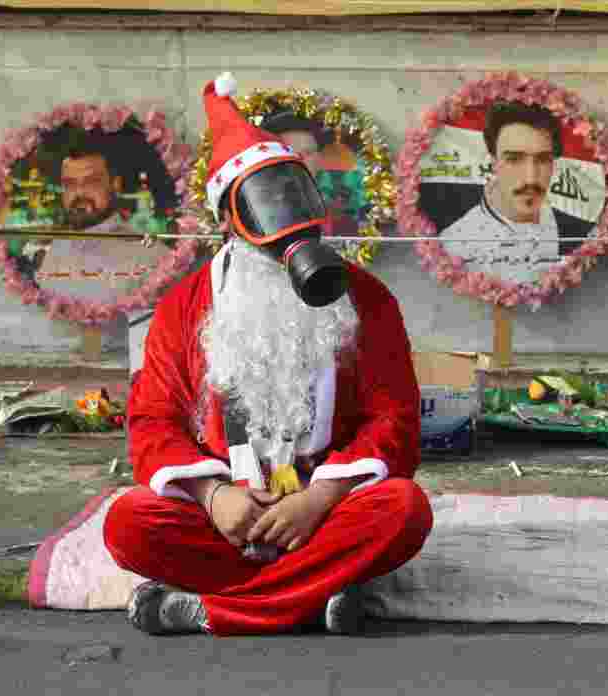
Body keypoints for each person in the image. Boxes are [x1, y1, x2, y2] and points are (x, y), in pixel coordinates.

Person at [103, 72, 433, 637]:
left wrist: (319, 500)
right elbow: (151, 421)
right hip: (228, 508)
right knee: (129, 523)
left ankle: (211, 610)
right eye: (263, 200)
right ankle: (314, 593)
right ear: (228, 217)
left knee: (403, 509)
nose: (282, 217)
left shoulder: (367, 298)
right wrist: (213, 497)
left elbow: (394, 418)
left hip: (323, 507)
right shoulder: (184, 306)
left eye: (292, 194)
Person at [440, 101, 589, 284]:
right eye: (514, 159)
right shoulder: (454, 246)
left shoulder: (575, 229)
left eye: (542, 159)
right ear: (492, 163)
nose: (530, 178)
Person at [33, 134, 166, 303]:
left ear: (115, 185)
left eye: (91, 182)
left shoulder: (151, 256)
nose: (79, 193)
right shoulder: (55, 250)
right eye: (70, 184)